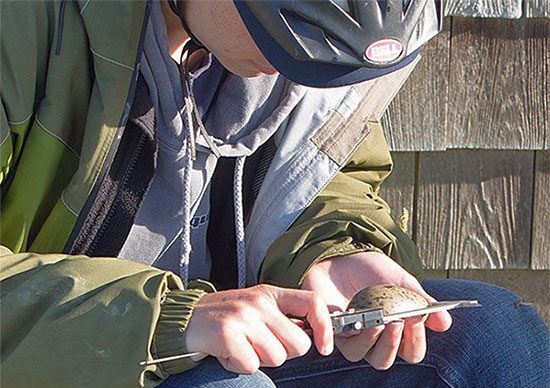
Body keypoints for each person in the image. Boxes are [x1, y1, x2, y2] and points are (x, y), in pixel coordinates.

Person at [0, 1, 547, 387]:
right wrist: (159, 322)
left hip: (242, 352)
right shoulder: (21, 27)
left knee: (496, 338)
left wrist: (332, 250)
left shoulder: (324, 49)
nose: (295, 68)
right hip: (57, 357)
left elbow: (328, 174)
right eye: (280, 35)